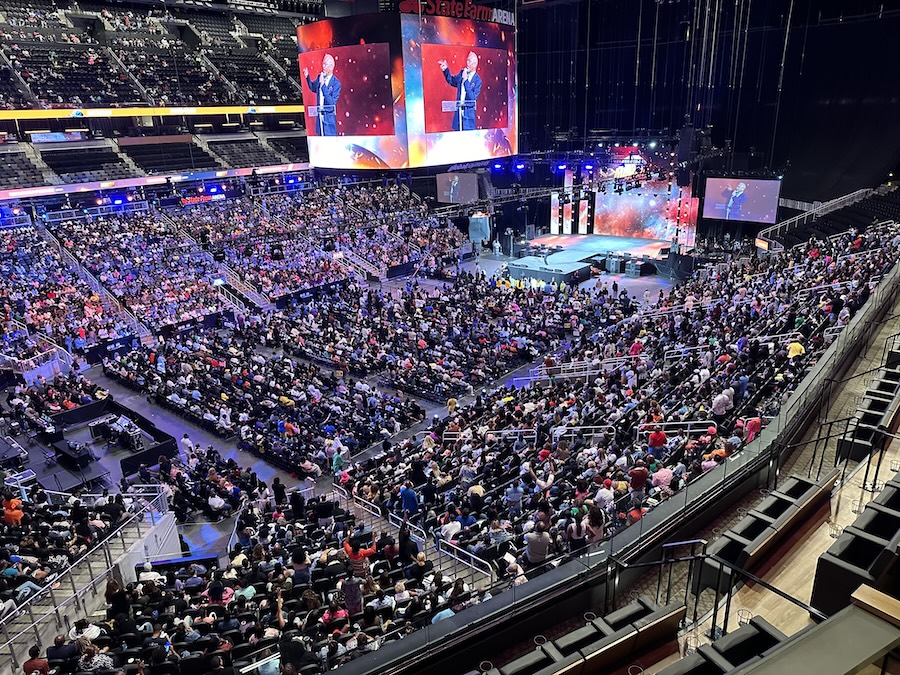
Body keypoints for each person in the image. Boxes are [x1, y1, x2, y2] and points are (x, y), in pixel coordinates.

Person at [439, 52, 482, 131]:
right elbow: (451, 81)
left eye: (469, 61)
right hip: (458, 116)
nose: (467, 63)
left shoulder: (477, 80)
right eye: (467, 60)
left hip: (468, 118)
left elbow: (472, 99)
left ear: (475, 63)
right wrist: (445, 70)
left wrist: (466, 81)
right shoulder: (462, 73)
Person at [303, 54, 342, 136]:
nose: (323, 66)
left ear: (331, 66)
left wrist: (323, 85)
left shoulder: (336, 83)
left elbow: (331, 103)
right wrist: (307, 77)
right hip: (319, 117)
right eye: (323, 64)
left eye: (325, 64)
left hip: (328, 119)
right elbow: (313, 88)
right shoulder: (320, 77)